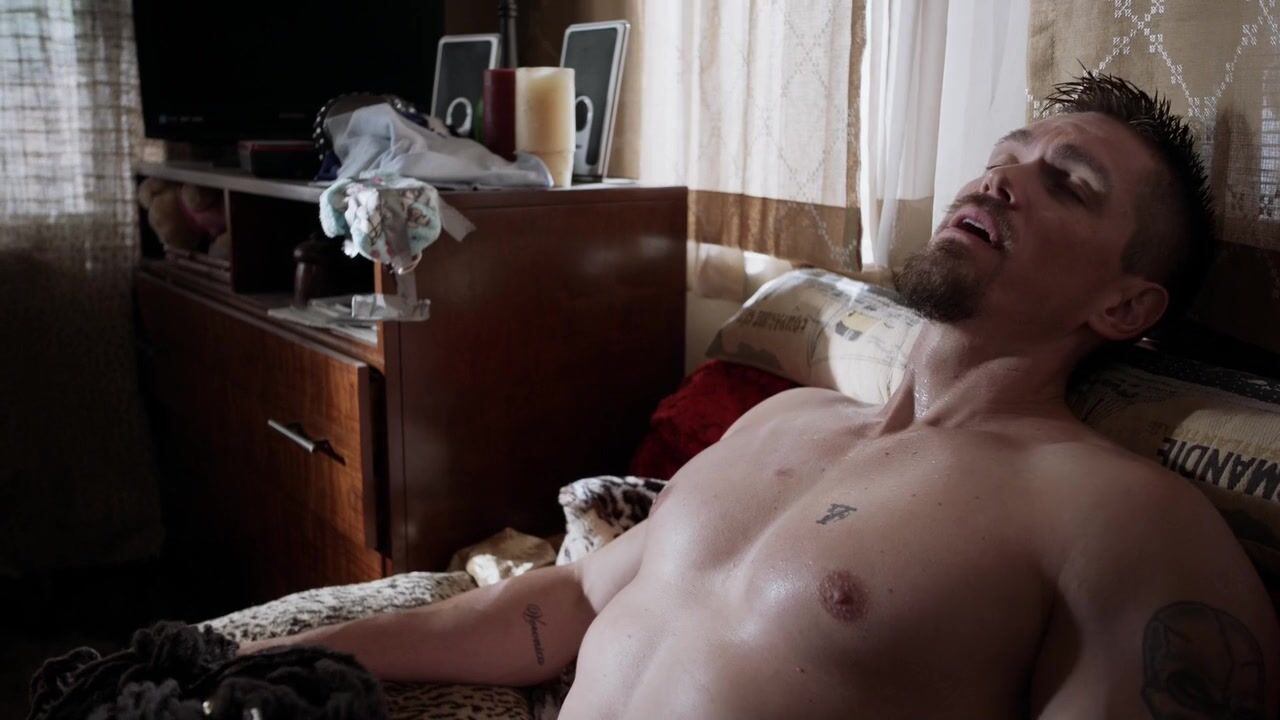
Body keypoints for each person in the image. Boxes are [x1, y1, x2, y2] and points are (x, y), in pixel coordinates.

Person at [243, 73, 1279, 719]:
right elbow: (565, 605)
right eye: (999, 159)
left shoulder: (1116, 518)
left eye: (1066, 183)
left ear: (1123, 304)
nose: (997, 180)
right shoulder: (789, 418)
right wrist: (266, 657)